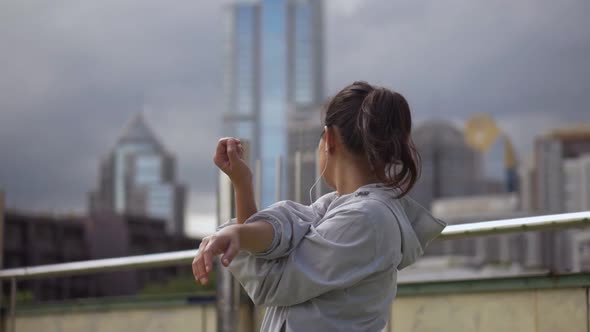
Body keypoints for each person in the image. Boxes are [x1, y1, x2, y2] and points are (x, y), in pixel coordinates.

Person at [192, 81, 446, 332]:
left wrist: (236, 233)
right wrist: (242, 187)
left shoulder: (367, 218)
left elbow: (272, 282)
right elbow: (274, 241)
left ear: (330, 138)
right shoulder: (336, 206)